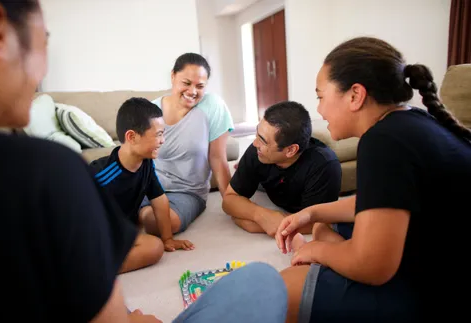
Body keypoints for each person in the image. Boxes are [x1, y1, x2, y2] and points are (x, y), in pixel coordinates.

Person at [0, 1, 290, 322]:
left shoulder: (49, 176)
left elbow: (212, 164)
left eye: (200, 86)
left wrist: (226, 201)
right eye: (44, 44)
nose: (42, 72)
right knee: (263, 280)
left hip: (174, 198)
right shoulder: (53, 172)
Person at [274, 36, 471, 323]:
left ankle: (332, 261)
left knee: (281, 291)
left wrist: (317, 250)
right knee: (321, 224)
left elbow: (373, 266)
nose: (318, 109)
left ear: (355, 95)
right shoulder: (409, 120)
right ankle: (335, 258)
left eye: (320, 96)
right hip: (431, 249)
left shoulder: (384, 141)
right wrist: (312, 212)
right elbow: (382, 199)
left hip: (438, 291)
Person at [89, 97, 194, 274]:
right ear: (132, 137)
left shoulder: (145, 163)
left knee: (155, 246)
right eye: (159, 134)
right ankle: (90, 272)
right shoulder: (103, 174)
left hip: (118, 230)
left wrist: (167, 238)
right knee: (153, 247)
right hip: (94, 234)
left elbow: (159, 200)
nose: (163, 141)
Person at [139, 53, 234, 233]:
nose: (192, 91)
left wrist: (232, 203)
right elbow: (138, 158)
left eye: (200, 86)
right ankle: (139, 212)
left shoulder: (212, 106)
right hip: (149, 186)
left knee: (160, 222)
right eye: (186, 83)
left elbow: (217, 158)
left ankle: (141, 215)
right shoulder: (151, 110)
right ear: (173, 76)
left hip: (187, 192)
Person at [222, 101, 342, 237]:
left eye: (263, 140)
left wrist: (257, 224)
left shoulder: (324, 166)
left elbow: (318, 222)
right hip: (268, 179)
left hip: (297, 187)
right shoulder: (257, 151)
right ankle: (244, 168)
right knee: (253, 175)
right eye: (257, 134)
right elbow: (229, 200)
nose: (255, 143)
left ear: (291, 150)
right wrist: (260, 215)